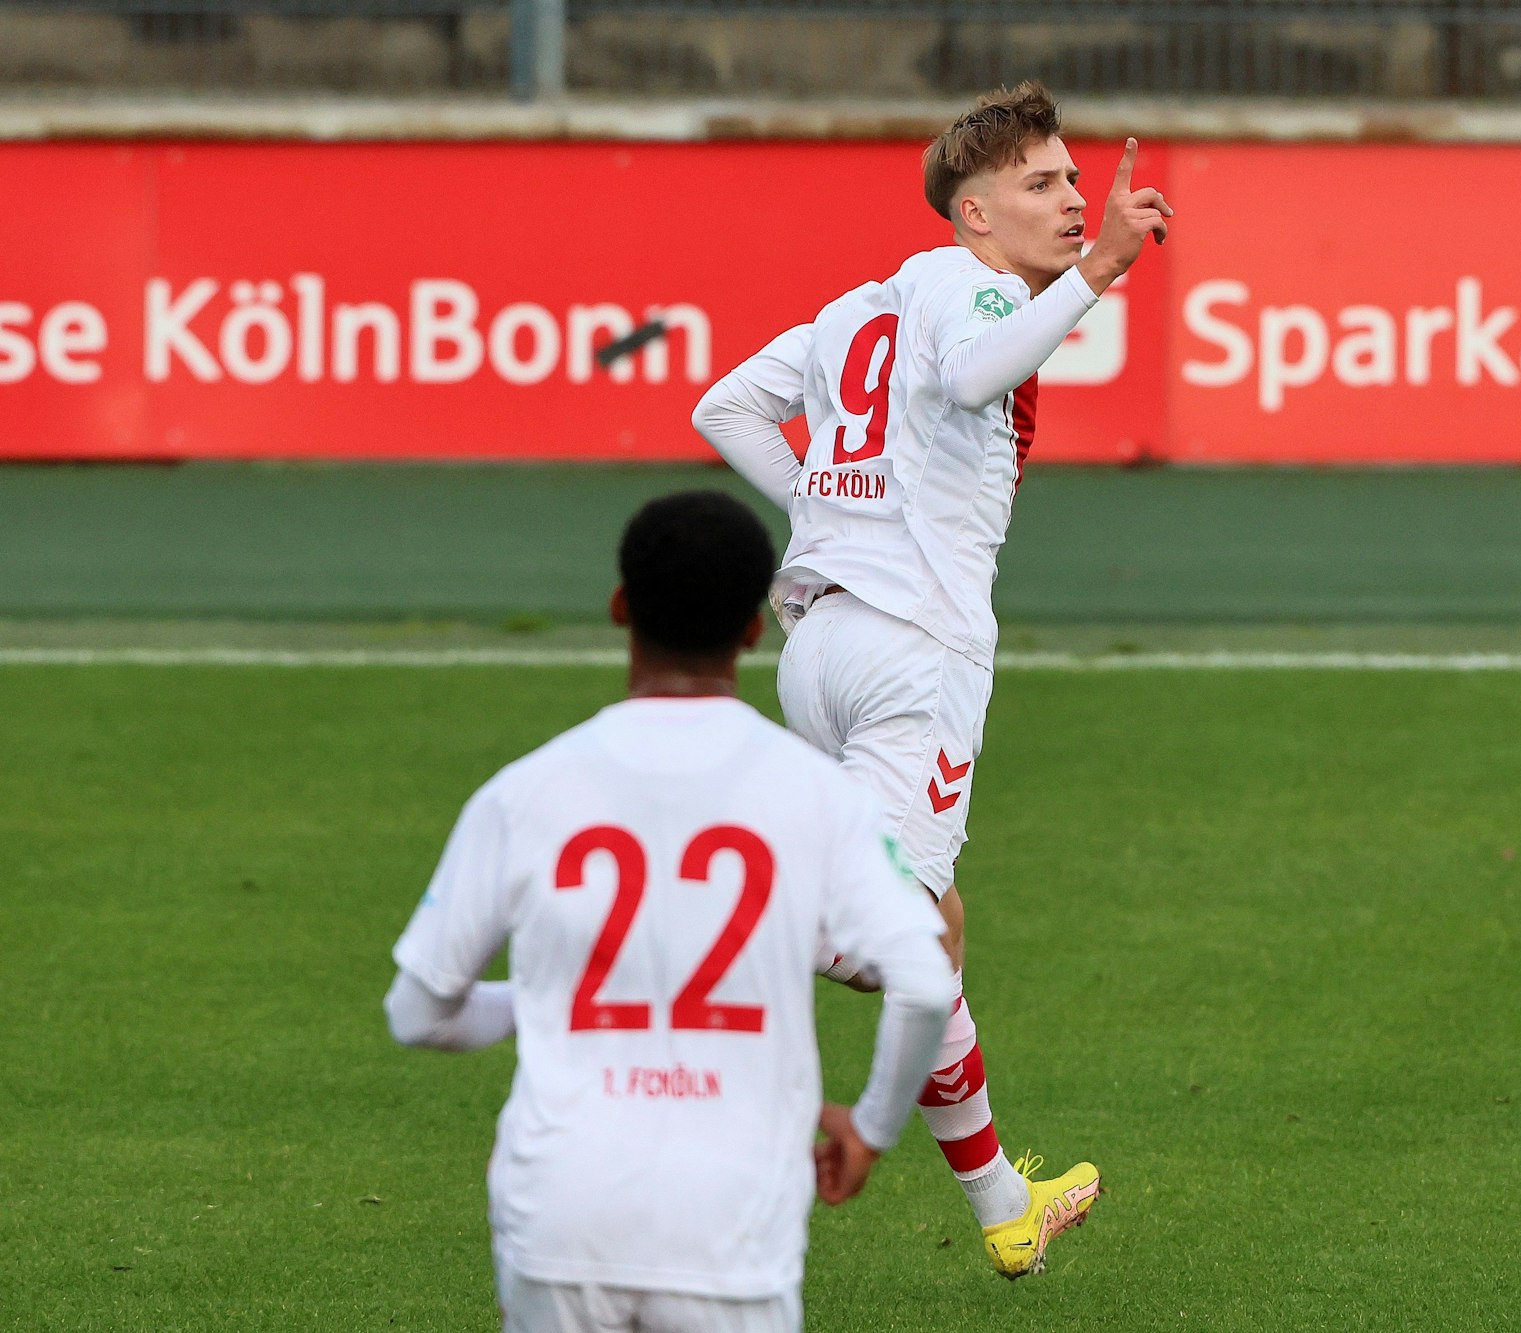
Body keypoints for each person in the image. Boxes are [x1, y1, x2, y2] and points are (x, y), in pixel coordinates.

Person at [690, 80, 1171, 1277]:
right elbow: (968, 376)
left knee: (935, 928)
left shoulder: (863, 308)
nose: (1069, 200)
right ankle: (676, 939)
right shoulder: (969, 286)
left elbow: (726, 404)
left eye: (1071, 180)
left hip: (825, 648)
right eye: (1041, 184)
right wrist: (1096, 272)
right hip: (916, 655)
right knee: (891, 931)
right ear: (972, 211)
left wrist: (817, 505)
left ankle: (1008, 1206)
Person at [383, 490, 958, 1333]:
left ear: (621, 607)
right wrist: (870, 1127)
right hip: (731, 1222)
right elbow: (924, 979)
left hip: (559, 1213)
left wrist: (548, 995)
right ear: (755, 630)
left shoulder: (525, 790)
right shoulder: (823, 800)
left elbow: (416, 1011)